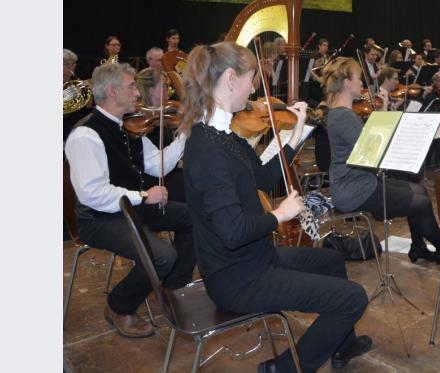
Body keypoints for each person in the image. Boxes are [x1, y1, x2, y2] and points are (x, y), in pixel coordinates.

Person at [178, 42, 372, 373]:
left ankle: (341, 345)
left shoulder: (225, 136)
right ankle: (284, 368)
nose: (254, 87)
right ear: (230, 79)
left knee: (332, 261)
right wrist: (279, 215)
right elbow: (232, 232)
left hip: (255, 259)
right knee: (353, 298)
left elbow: (265, 178)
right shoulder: (209, 149)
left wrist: (295, 136)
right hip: (238, 278)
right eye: (252, 78)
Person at [64, 62, 194, 338]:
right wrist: (145, 195)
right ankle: (118, 306)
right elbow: (93, 194)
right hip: (98, 218)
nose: (138, 93)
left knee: (194, 219)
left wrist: (184, 133)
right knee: (162, 256)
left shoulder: (130, 125)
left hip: (131, 208)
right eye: (132, 86)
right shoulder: (85, 135)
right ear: (112, 91)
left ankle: (171, 287)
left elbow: (157, 165)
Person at [323, 57, 440, 263]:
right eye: (358, 78)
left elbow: (368, 145)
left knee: (420, 191)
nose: (362, 83)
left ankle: (418, 247)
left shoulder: (341, 113)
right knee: (421, 201)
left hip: (361, 181)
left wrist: (381, 115)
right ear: (347, 83)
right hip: (355, 189)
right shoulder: (343, 116)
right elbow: (374, 150)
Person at [134, 67, 186, 202]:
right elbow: (156, 160)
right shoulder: (140, 122)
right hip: (156, 183)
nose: (168, 89)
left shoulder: (164, 113)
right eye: (163, 86)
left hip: (170, 170)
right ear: (150, 90)